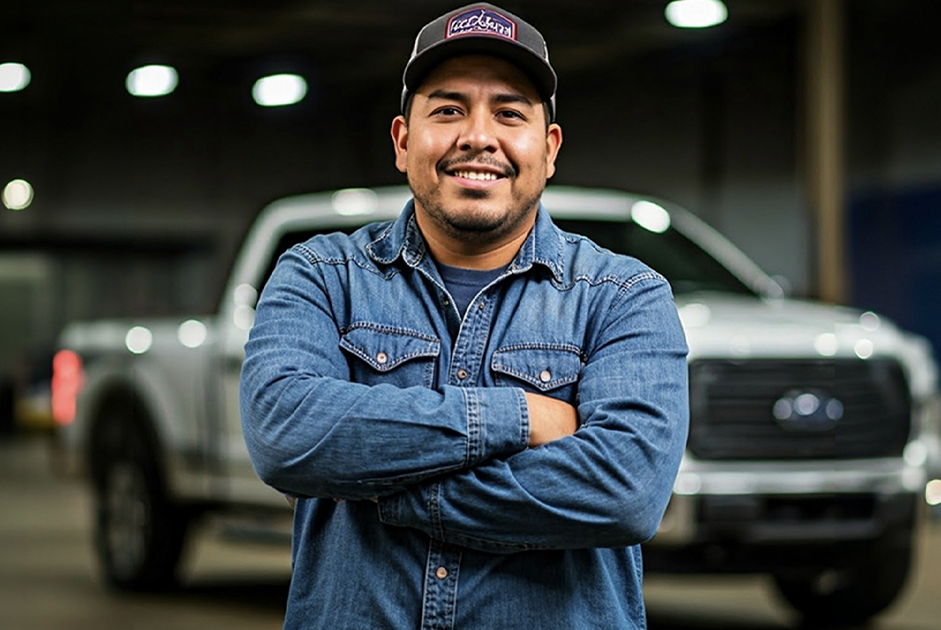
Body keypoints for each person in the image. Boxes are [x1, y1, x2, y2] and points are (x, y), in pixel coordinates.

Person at [241, 3, 689, 628]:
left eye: (509, 113)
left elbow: (625, 492)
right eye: (448, 109)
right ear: (402, 141)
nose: (478, 136)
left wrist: (387, 487)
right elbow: (287, 435)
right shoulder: (320, 275)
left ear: (549, 148)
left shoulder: (623, 295)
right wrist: (522, 416)